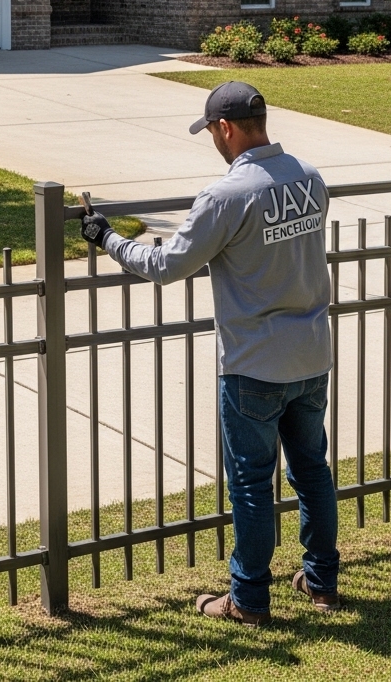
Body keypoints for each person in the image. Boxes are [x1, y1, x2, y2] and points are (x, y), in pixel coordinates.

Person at [80, 80, 340, 624]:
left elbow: (166, 265)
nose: (213, 142)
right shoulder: (310, 179)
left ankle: (247, 599)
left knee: (250, 483)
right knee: (312, 470)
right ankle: (320, 581)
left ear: (224, 128)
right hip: (312, 355)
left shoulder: (228, 195)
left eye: (212, 132)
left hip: (253, 365)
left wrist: (107, 238)